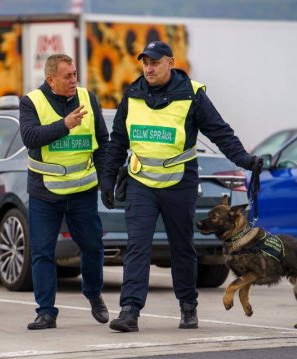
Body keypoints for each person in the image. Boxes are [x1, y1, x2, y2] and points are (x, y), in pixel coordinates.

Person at [100, 41, 263, 332]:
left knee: (182, 247)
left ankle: (188, 308)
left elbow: (219, 133)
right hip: (140, 183)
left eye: (154, 62)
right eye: (145, 63)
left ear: (170, 63)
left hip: (179, 183)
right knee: (137, 246)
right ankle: (129, 311)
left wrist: (245, 160)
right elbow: (118, 141)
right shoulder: (133, 93)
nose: (148, 68)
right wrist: (108, 180)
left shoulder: (192, 95)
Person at [19, 54, 110, 330]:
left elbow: (102, 143)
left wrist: (106, 182)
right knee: (43, 253)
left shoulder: (88, 98)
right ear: (50, 79)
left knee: (93, 247)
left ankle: (93, 294)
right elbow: (30, 137)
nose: (73, 80)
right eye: (67, 76)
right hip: (45, 193)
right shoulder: (31, 102)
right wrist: (64, 125)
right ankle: (46, 312)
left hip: (83, 191)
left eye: (74, 74)